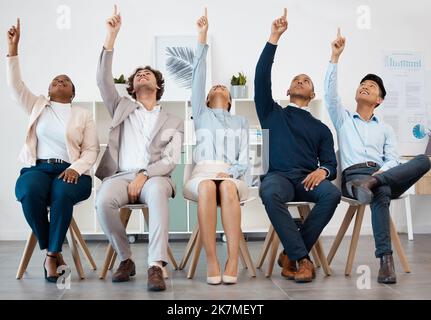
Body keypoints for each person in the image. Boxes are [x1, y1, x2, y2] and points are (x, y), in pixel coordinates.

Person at [324, 28, 431, 284]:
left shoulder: (385, 128)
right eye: (362, 84)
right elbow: (329, 94)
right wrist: (335, 57)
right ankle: (385, 262)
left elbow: (393, 159)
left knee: (421, 161)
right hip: (355, 179)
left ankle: (376, 183)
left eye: (371, 87)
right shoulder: (343, 119)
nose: (365, 86)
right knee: (381, 193)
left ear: (379, 100)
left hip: (381, 175)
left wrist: (380, 175)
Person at [95, 6, 184, 291]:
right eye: (138, 75)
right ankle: (126, 259)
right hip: (121, 175)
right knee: (103, 201)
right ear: (131, 88)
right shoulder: (121, 107)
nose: (142, 75)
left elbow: (171, 159)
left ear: (158, 85)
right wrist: (111, 37)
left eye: (148, 73)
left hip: (155, 177)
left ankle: (155, 265)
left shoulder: (174, 119)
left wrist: (145, 174)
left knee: (157, 192)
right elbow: (102, 80)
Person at [8, 19, 99, 282]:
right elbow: (15, 86)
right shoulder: (38, 106)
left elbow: (91, 151)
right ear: (48, 90)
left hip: (72, 172)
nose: (60, 81)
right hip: (38, 168)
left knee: (61, 193)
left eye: (66, 81)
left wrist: (74, 168)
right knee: (28, 190)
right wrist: (13, 50)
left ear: (72, 93)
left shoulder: (83, 115)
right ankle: (53, 249)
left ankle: (51, 254)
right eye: (56, 80)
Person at [254, 8, 341, 283]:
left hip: (307, 179)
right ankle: (301, 258)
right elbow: (260, 78)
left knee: (332, 195)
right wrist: (273, 38)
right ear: (287, 91)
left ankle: (292, 254)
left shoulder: (321, 128)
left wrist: (323, 172)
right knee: (269, 193)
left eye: (306, 80)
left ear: (313, 93)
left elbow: (330, 163)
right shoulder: (271, 112)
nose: (300, 80)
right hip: (278, 177)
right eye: (296, 80)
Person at [183, 8, 249, 285]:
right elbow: (197, 78)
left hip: (232, 174)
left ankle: (232, 258)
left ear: (231, 100)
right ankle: (212, 259)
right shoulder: (201, 114)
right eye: (214, 88)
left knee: (227, 186)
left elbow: (246, 157)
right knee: (209, 186)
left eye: (223, 87)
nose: (219, 87)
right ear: (207, 99)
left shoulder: (240, 121)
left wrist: (231, 172)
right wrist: (202, 37)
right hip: (201, 175)